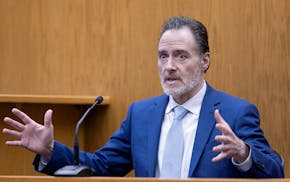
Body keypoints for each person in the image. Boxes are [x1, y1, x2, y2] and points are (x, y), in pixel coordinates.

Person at [2, 16, 284, 178]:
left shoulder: (236, 113)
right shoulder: (142, 115)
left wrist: (244, 154)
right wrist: (50, 150)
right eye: (163, 56)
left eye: (181, 56)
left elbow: (275, 172)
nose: (169, 65)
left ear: (205, 61)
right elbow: (101, 167)